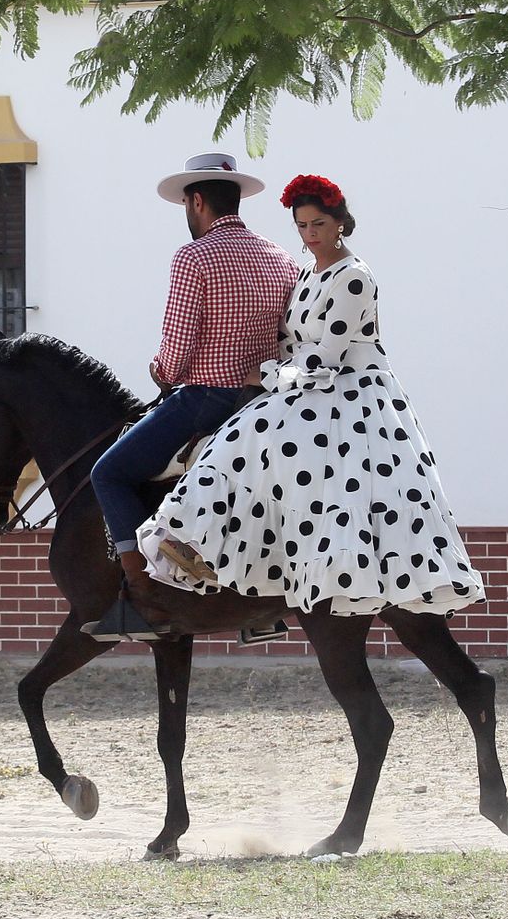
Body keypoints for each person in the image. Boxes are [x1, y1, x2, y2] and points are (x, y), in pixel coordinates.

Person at [135, 174, 486, 617]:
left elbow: (326, 356)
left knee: (256, 433)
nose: (309, 234)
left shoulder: (354, 277)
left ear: (340, 222)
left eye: (318, 223)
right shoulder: (304, 274)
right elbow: (288, 340)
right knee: (238, 440)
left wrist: (263, 376)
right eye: (301, 226)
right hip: (302, 387)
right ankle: (202, 548)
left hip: (351, 394)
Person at [85, 153, 298, 640]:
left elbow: (176, 356)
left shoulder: (193, 258)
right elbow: (288, 338)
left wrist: (158, 371)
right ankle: (261, 612)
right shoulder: (280, 258)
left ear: (197, 201)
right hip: (259, 407)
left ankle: (143, 593)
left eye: (186, 203)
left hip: (203, 399)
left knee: (110, 473)